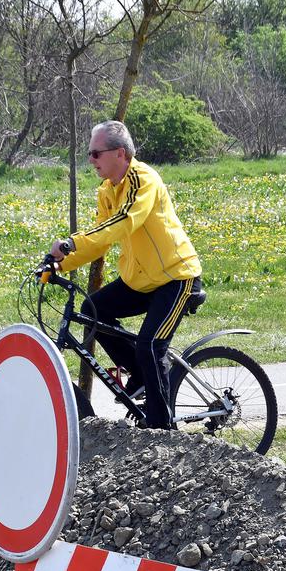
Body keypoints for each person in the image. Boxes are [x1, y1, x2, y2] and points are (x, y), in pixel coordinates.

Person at [47, 120, 202, 430]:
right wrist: (58, 264)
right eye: (89, 154)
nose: (90, 160)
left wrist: (70, 243)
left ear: (119, 153)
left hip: (176, 277)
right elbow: (99, 238)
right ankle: (143, 376)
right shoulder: (107, 190)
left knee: (150, 346)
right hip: (141, 280)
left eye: (95, 154)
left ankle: (161, 428)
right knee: (93, 310)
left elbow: (123, 223)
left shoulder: (144, 180)